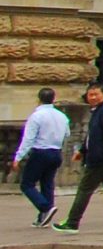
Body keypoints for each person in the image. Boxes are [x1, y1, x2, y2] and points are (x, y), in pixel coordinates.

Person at [53, 83, 103, 234]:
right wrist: (83, 150)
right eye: (90, 95)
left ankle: (72, 222)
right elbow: (93, 135)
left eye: (96, 94)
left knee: (85, 189)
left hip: (101, 158)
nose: (93, 97)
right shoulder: (98, 111)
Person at [12, 86, 69, 226]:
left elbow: (28, 139)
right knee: (47, 183)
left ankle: (46, 207)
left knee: (27, 184)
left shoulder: (36, 116)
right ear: (53, 99)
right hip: (56, 152)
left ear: (38, 99)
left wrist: (18, 157)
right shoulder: (62, 116)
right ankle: (43, 217)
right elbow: (67, 134)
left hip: (41, 152)